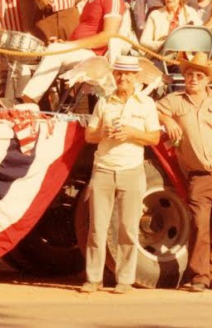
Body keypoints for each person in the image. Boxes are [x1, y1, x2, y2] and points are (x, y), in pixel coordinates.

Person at [158, 53, 212, 293]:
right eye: (189, 75)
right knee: (199, 225)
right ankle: (199, 276)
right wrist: (167, 119)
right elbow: (153, 109)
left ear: (207, 80)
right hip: (198, 177)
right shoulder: (176, 101)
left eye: (198, 75)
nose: (192, 79)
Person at [80, 56, 161, 295]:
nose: (123, 78)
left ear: (136, 77)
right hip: (104, 168)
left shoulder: (145, 104)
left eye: (128, 74)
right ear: (113, 75)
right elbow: (89, 136)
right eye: (119, 74)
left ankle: (125, 280)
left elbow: (154, 137)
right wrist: (103, 131)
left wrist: (131, 133)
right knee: (97, 228)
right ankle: (93, 279)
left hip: (131, 170)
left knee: (128, 228)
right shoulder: (104, 102)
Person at [19, 0, 127, 105]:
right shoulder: (91, 1)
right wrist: (64, 42)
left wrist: (70, 45)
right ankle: (38, 103)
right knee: (51, 48)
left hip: (96, 58)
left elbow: (108, 36)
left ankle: (27, 101)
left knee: (55, 50)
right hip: (81, 52)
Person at [139, 0, 203, 53]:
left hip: (184, 59)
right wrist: (164, 45)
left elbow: (200, 37)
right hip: (159, 58)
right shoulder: (155, 15)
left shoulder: (191, 13)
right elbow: (143, 42)